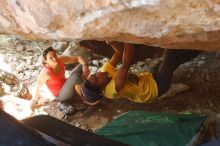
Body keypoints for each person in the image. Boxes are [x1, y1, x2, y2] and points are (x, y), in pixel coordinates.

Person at [80, 42, 200, 104]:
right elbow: (126, 64)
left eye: (94, 75)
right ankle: (200, 47)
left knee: (173, 60)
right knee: (170, 53)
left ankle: (199, 49)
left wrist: (111, 43)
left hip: (149, 77)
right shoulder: (110, 91)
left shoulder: (104, 72)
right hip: (156, 88)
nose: (98, 74)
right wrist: (129, 42)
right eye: (96, 79)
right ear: (101, 88)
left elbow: (118, 53)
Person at [29, 46, 90, 115]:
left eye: (55, 55)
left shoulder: (60, 59)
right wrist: (33, 103)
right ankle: (84, 99)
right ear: (46, 61)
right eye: (51, 58)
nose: (54, 58)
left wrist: (85, 65)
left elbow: (78, 58)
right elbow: (37, 88)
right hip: (60, 95)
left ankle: (84, 88)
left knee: (83, 64)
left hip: (67, 85)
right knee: (75, 77)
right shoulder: (45, 73)